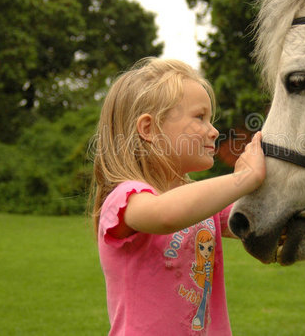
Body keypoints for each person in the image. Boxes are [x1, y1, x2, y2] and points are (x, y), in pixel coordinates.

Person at [90, 57, 266, 335]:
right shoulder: (125, 198)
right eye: (200, 117)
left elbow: (261, 218)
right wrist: (242, 178)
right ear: (148, 129)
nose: (214, 131)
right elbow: (166, 215)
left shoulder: (199, 205)